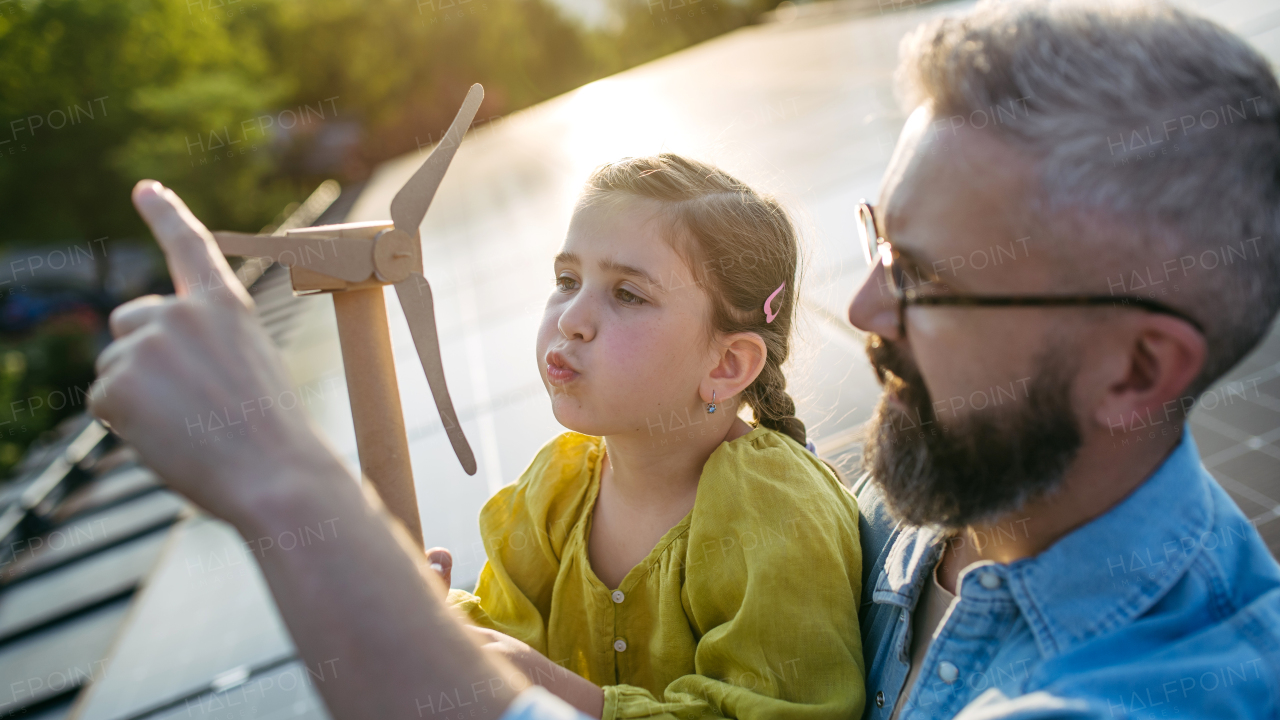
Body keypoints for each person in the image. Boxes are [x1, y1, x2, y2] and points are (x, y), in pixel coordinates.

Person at [845, 1, 1280, 717]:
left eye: (924, 278)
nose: (863, 308)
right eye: (880, 241)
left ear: (1134, 371)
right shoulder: (943, 458)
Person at [437, 154, 864, 720]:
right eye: (567, 281)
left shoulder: (774, 512)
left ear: (727, 364)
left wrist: (546, 685)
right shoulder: (556, 486)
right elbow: (509, 638)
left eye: (627, 295)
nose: (571, 318)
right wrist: (445, 624)